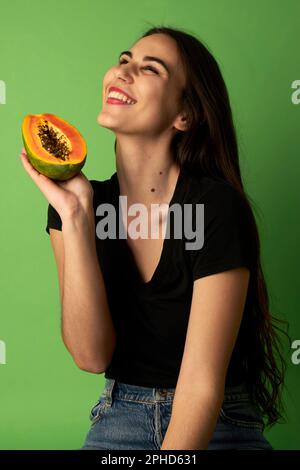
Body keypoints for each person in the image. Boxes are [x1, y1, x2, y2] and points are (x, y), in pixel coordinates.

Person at [20, 26, 291, 450]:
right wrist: (75, 218)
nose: (121, 71)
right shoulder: (75, 205)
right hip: (119, 416)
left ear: (184, 114)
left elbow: (201, 385)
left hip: (218, 422)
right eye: (124, 60)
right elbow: (92, 356)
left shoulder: (217, 209)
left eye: (150, 69)